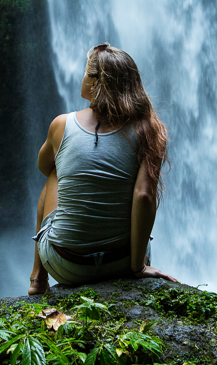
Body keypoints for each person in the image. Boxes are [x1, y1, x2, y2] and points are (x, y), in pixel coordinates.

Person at [28, 42, 179, 294]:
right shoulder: (150, 129)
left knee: (56, 171)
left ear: (97, 83)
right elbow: (144, 195)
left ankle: (38, 279)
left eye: (87, 72)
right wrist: (138, 267)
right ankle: (135, 261)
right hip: (121, 264)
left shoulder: (61, 125)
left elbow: (44, 166)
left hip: (66, 265)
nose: (83, 77)